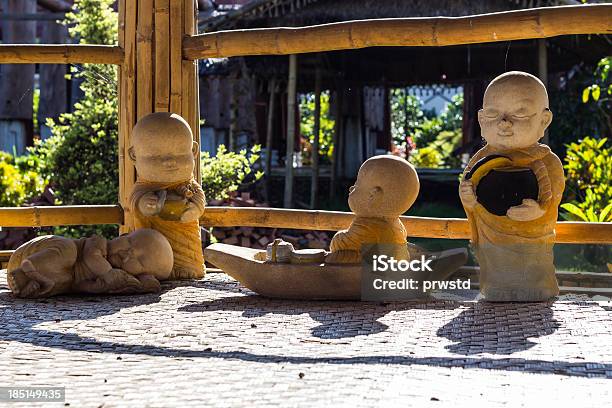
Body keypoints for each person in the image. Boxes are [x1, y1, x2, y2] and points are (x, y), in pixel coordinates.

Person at [459, 71, 564, 301]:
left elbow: (553, 195)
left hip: (532, 237)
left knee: (533, 272)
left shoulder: (546, 161)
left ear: (544, 121)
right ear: (481, 119)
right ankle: (496, 287)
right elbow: (468, 186)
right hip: (492, 237)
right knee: (498, 274)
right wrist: (469, 199)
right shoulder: (481, 159)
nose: (504, 123)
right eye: (493, 114)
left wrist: (539, 211)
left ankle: (537, 287)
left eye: (520, 113)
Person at [7, 228, 173, 298]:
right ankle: (26, 271)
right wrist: (108, 273)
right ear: (123, 235)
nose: (129, 253)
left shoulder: (112, 280)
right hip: (30, 255)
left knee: (65, 281)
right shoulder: (99, 244)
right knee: (68, 250)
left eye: (140, 260)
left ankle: (36, 283)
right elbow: (91, 258)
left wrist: (142, 285)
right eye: (130, 243)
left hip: (51, 273)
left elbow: (82, 287)